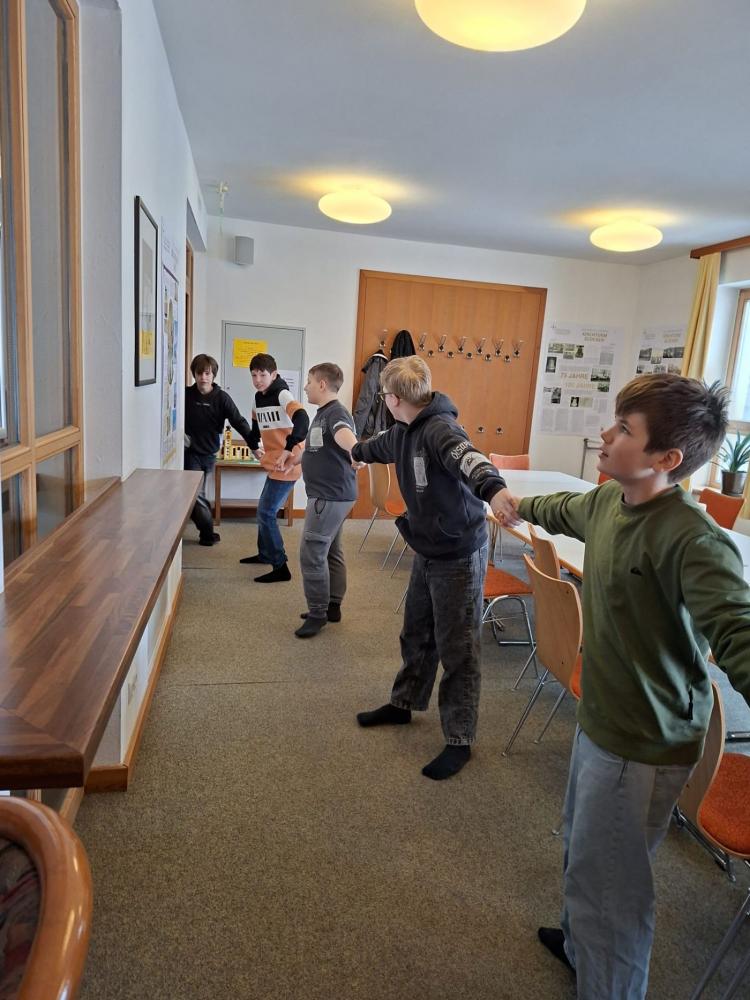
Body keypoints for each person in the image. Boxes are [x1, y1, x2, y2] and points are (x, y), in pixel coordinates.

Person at [494, 373, 750, 1000]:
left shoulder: (694, 539)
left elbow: (738, 635)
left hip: (644, 739)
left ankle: (606, 979)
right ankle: (580, 946)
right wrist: (516, 504)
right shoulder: (608, 503)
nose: (605, 435)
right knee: (584, 847)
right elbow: (561, 508)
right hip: (602, 717)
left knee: (613, 889)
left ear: (666, 459)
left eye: (624, 429)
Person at [352, 356, 511, 781]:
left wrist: (494, 490)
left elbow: (471, 460)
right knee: (417, 632)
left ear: (393, 399)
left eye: (384, 396)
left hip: (458, 551)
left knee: (458, 648)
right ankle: (404, 703)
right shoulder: (404, 430)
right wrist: (354, 453)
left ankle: (460, 738)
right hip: (427, 546)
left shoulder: (441, 429)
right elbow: (375, 447)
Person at [283, 363, 360, 639]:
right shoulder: (323, 414)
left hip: (329, 497)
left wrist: (357, 450)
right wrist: (295, 458)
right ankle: (332, 606)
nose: (305, 387)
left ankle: (318, 613)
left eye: (309, 382)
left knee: (312, 552)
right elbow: (317, 446)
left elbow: (345, 436)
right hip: (334, 495)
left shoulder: (336, 414)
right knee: (331, 550)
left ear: (322, 384)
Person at [240, 353, 310, 583]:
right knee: (264, 510)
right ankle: (265, 554)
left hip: (289, 463)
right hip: (275, 462)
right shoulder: (257, 398)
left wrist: (289, 449)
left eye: (262, 375)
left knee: (266, 512)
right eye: (254, 375)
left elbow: (302, 420)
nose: (258, 380)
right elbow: (255, 429)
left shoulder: (282, 394)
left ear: (274, 374)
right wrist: (253, 447)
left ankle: (280, 566)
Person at [184, 353, 255, 546]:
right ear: (194, 374)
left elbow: (238, 421)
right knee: (196, 496)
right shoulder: (186, 395)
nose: (203, 377)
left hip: (209, 454)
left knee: (199, 496)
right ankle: (207, 534)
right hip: (190, 453)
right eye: (199, 373)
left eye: (207, 373)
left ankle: (206, 532)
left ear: (213, 375)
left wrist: (254, 445)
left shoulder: (222, 398)